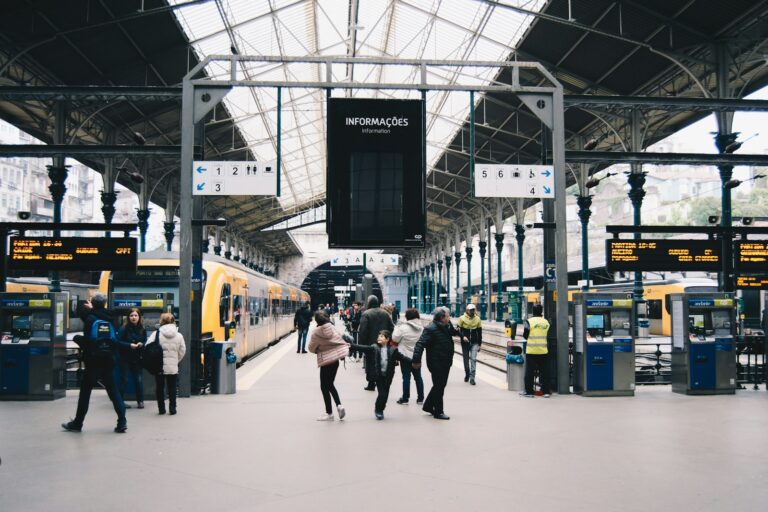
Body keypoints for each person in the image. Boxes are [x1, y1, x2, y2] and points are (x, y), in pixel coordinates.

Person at [62, 293, 139, 433]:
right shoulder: (111, 317)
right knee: (114, 392)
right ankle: (122, 422)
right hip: (109, 361)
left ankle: (77, 423)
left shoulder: (90, 318)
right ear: (104, 304)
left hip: (93, 362)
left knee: (85, 394)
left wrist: (77, 338)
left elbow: (88, 340)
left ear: (93, 304)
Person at [411, 308, 456, 420]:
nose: (449, 318)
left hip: (445, 361)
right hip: (436, 362)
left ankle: (428, 406)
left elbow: (453, 331)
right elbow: (420, 344)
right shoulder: (431, 329)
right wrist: (416, 360)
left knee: (439, 385)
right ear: (442, 318)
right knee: (439, 386)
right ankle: (438, 412)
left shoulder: (445, 327)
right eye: (447, 316)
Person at [351, 330, 406, 420]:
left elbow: (402, 357)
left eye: (382, 336)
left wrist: (412, 361)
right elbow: (363, 348)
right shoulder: (374, 347)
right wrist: (352, 346)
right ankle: (378, 410)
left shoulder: (393, 349)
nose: (379, 337)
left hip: (388, 375)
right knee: (382, 393)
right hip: (379, 375)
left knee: (385, 394)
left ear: (387, 339)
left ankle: (381, 407)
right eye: (379, 336)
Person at [307, 311, 349, 421]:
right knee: (330, 384)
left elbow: (311, 348)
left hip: (326, 361)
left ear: (317, 320)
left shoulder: (316, 332)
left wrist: (318, 349)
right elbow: (339, 338)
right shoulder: (332, 327)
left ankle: (329, 413)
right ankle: (339, 405)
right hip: (335, 361)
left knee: (324, 386)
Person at [358, 295, 394, 391]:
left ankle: (371, 383)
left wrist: (361, 346)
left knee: (370, 363)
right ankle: (381, 382)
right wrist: (387, 339)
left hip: (370, 344)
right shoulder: (385, 313)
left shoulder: (366, 314)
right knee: (382, 361)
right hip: (383, 343)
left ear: (369, 302)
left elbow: (363, 331)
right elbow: (392, 328)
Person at [153, 313, 186, 415]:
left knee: (160, 387)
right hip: (173, 366)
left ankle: (161, 409)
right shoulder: (179, 335)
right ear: (173, 321)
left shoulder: (156, 334)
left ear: (162, 321)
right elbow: (182, 350)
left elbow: (148, 347)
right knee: (172, 388)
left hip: (159, 366)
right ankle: (172, 408)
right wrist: (176, 360)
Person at [392, 308, 424, 404]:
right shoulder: (421, 328)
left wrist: (397, 328)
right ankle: (420, 398)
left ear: (407, 317)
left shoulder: (403, 327)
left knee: (406, 377)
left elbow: (395, 338)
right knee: (418, 377)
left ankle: (405, 398)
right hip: (417, 356)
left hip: (404, 356)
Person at [116, 307, 147, 409]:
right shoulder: (123, 328)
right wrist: (129, 345)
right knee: (123, 379)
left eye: (136, 315)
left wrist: (142, 344)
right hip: (124, 357)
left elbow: (145, 340)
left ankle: (140, 401)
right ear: (128, 317)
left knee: (138, 379)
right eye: (131, 315)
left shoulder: (142, 328)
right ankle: (120, 402)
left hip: (137, 358)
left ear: (139, 317)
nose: (134, 317)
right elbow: (118, 342)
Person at [521, 303, 551, 398]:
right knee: (545, 372)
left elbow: (525, 335)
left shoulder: (529, 321)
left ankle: (529, 392)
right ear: (541, 311)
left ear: (533, 311)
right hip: (543, 350)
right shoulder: (546, 322)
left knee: (529, 372)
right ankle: (545, 391)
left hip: (531, 350)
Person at [457, 304, 483, 385]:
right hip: (465, 343)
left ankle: (472, 378)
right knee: (466, 360)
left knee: (473, 359)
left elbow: (480, 332)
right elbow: (458, 330)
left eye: (473, 310)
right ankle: (467, 373)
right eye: (471, 310)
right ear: (467, 310)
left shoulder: (477, 319)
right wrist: (463, 336)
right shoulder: (461, 318)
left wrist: (479, 344)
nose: (472, 311)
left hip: (474, 343)